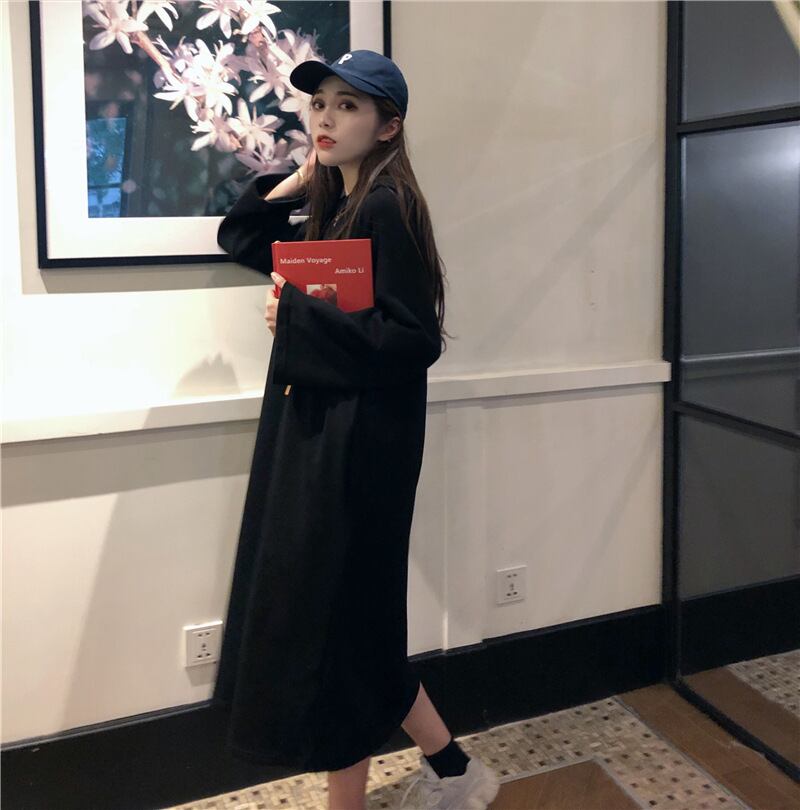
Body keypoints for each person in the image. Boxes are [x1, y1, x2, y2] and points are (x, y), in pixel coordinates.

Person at [212, 49, 500, 810]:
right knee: (357, 626)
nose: (326, 118)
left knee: (338, 628)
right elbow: (242, 240)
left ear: (388, 125)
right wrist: (298, 180)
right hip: (327, 432)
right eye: (319, 104)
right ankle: (455, 772)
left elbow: (413, 338)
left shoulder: (384, 205)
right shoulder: (339, 201)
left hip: (359, 446)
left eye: (348, 106)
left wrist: (297, 314)